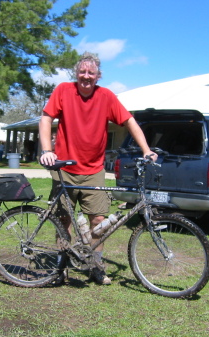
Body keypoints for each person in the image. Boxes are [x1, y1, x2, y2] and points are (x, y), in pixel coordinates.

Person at [39, 52, 157, 285]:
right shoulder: (63, 90)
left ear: (98, 76)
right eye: (82, 72)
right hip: (65, 169)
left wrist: (146, 149)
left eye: (91, 73)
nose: (86, 76)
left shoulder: (106, 97)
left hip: (94, 169)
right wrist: (46, 150)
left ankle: (95, 266)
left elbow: (129, 121)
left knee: (98, 222)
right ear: (76, 73)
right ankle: (61, 268)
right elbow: (46, 118)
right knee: (63, 220)